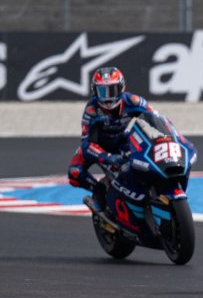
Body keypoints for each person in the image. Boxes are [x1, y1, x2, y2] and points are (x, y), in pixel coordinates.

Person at [67, 66, 196, 210]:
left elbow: (156, 118)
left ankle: (144, 190)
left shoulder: (133, 101)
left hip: (123, 142)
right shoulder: (91, 110)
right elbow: (86, 144)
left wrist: (170, 137)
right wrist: (107, 157)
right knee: (75, 172)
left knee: (137, 164)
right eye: (102, 91)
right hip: (99, 147)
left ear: (121, 87)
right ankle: (99, 190)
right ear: (94, 91)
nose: (107, 97)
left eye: (112, 90)